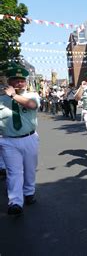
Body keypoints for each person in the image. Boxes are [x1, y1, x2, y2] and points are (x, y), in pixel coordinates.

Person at [0, 66, 40, 215]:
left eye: (22, 81)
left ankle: (29, 192)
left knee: (30, 169)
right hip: (8, 140)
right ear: (9, 82)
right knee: (14, 172)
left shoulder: (32, 95)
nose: (19, 83)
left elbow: (32, 105)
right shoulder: (0, 99)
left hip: (29, 138)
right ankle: (15, 202)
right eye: (15, 81)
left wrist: (13, 96)